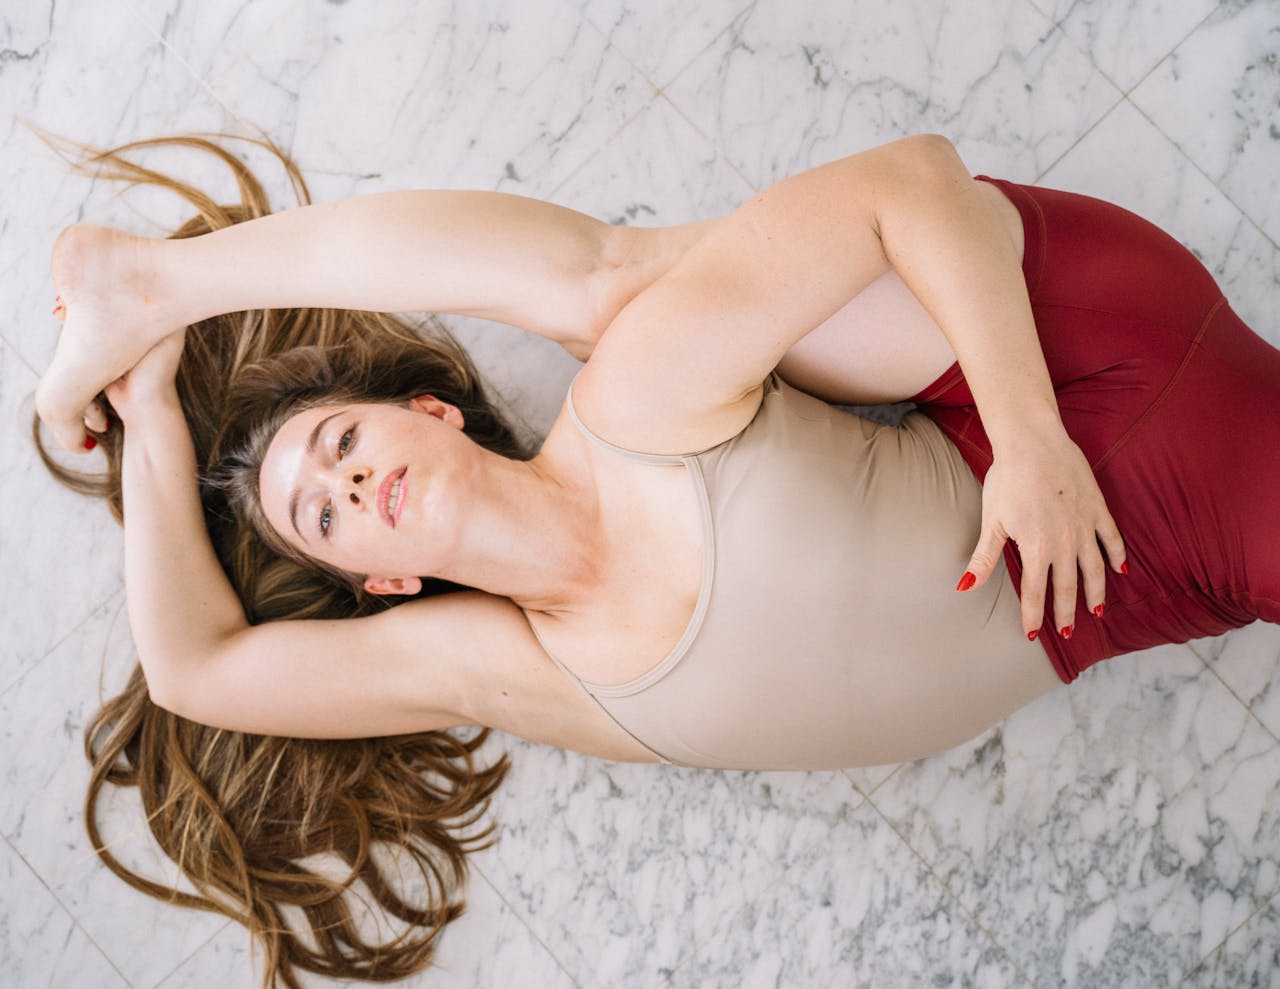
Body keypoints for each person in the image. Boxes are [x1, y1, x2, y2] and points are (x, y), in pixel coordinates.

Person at [34, 132, 1277, 986]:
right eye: (323, 513)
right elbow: (197, 665)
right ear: (380, 584)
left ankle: (147, 280)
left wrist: (1026, 439)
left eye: (341, 441)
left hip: (1077, 390)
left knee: (613, 281)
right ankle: (142, 292)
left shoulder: (631, 403)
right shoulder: (506, 666)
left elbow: (911, 177)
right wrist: (151, 417)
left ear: (430, 413)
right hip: (1119, 588)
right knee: (611, 278)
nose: (346, 481)